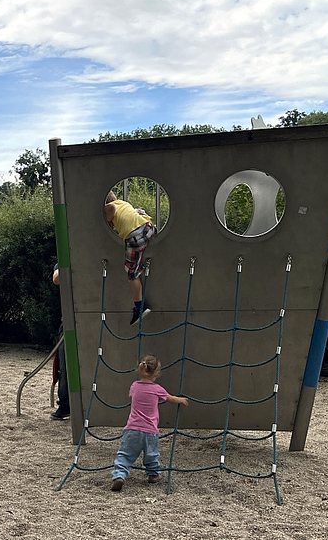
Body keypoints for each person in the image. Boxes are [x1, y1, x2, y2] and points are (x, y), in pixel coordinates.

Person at [110, 355, 188, 492]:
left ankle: (119, 476)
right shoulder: (157, 389)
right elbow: (170, 399)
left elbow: (131, 396)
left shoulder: (134, 386)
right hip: (150, 430)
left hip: (132, 429)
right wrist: (180, 400)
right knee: (151, 454)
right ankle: (153, 474)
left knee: (125, 454)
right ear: (157, 373)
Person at [103, 191, 157, 325]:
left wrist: (106, 216)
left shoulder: (110, 206)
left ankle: (139, 308)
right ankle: (140, 266)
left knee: (131, 272)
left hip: (135, 237)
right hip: (149, 228)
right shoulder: (124, 204)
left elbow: (111, 209)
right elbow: (140, 211)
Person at [50, 264, 70, 420]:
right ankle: (65, 405)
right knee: (64, 366)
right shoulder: (62, 261)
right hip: (68, 322)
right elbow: (56, 279)